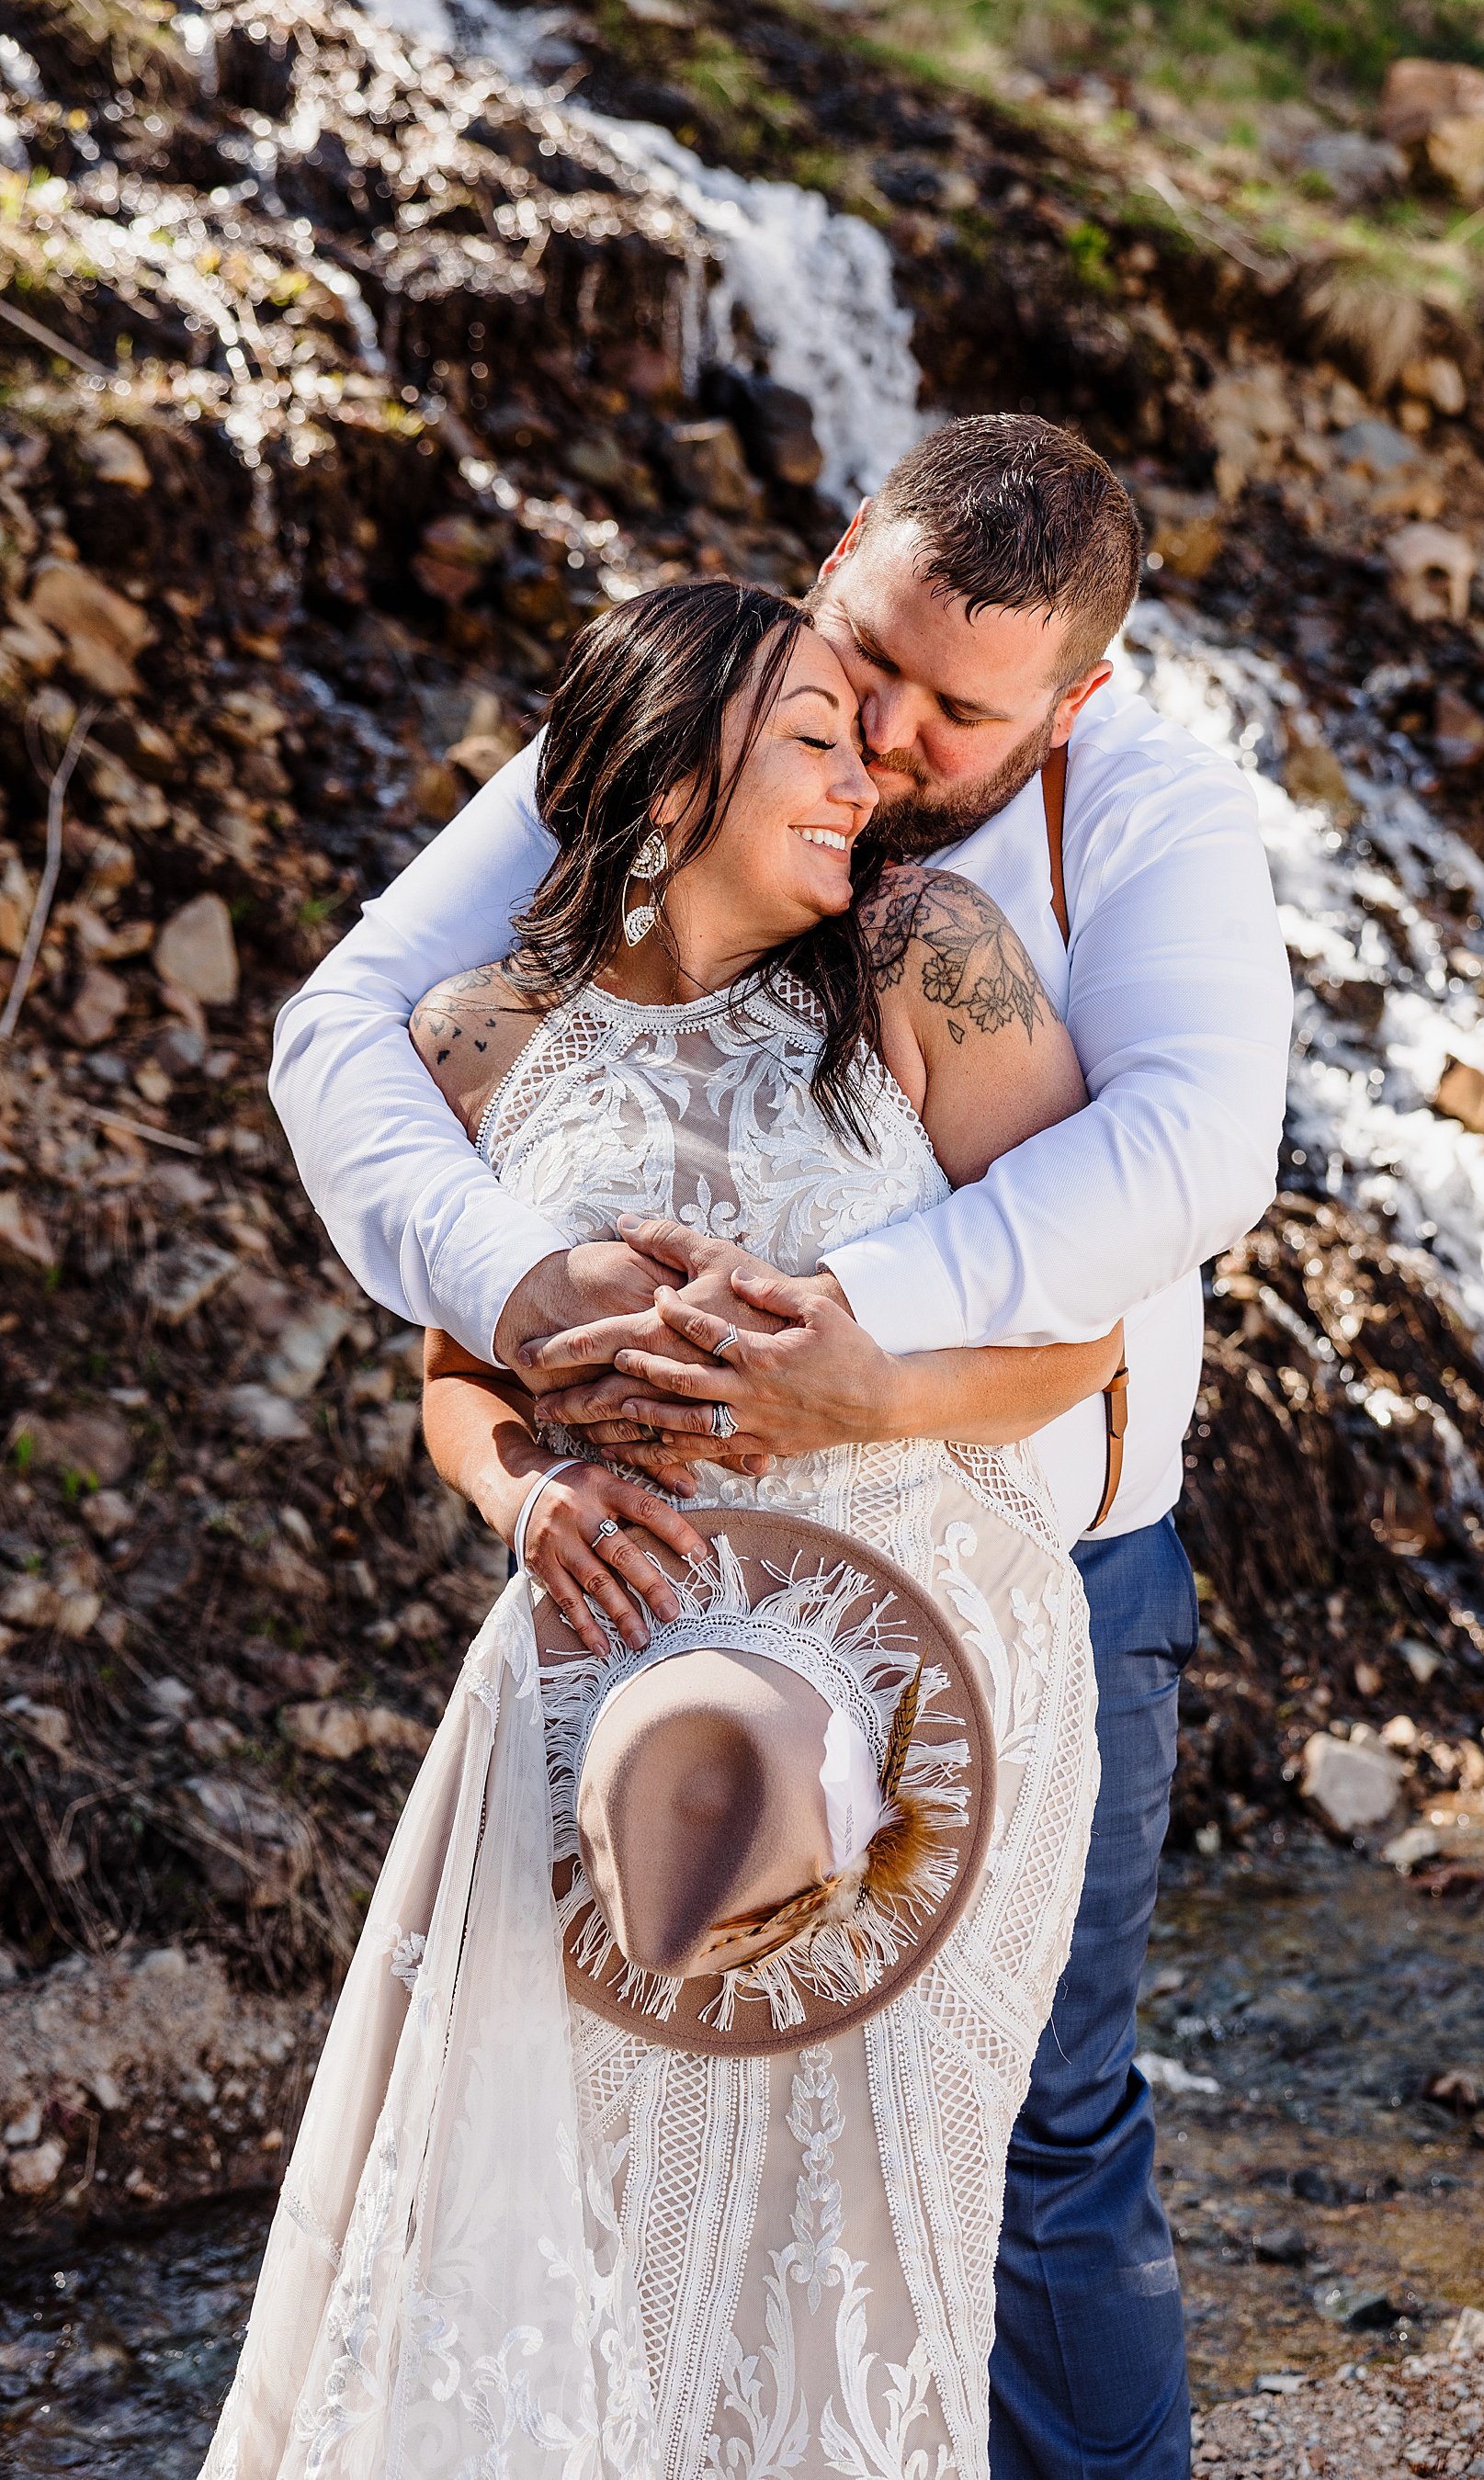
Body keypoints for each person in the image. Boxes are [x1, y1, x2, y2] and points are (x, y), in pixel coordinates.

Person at [269, 415, 1294, 2477]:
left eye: (954, 711)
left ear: (1074, 697)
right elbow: (351, 1036)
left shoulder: (1125, 835)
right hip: (643, 1642)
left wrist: (859, 1354)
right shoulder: (705, 705)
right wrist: (513, 1304)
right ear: (839, 555)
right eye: (865, 669)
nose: (893, 741)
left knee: (1036, 2142)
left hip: (1030, 1590)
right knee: (631, 2160)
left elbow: (1191, 1157)